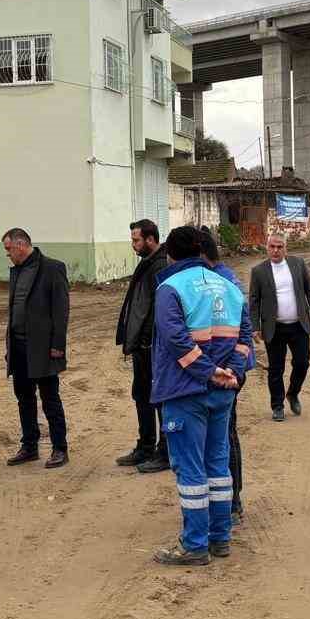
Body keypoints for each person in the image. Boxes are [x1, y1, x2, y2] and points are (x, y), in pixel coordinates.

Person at [149, 225, 253, 566]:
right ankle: (219, 538)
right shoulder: (230, 287)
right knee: (218, 465)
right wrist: (232, 372)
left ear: (171, 254)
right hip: (223, 392)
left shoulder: (170, 288)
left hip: (185, 391)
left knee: (191, 470)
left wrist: (207, 371)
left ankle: (194, 545)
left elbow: (176, 339)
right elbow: (245, 338)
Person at [2, 228, 71, 468]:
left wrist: (57, 347)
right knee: (24, 398)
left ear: (21, 245)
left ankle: (60, 448)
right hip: (19, 346)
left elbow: (61, 312)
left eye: (9, 249)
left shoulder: (52, 268)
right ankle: (29, 446)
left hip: (43, 348)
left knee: (50, 398)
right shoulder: (17, 271)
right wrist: (9, 347)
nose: (7, 254)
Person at [248, 234, 310, 422]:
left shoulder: (298, 264)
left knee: (302, 363)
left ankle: (292, 393)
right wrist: (254, 327)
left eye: (279, 246)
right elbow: (254, 302)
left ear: (285, 248)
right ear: (267, 248)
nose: (275, 250)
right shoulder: (258, 271)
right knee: (276, 369)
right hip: (274, 328)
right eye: (272, 246)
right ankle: (277, 406)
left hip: (298, 325)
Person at [114, 219, 170, 471]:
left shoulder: (160, 266)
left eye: (136, 240)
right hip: (141, 346)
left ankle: (163, 451)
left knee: (159, 399)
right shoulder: (148, 263)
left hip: (152, 347)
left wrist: (146, 341)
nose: (133, 245)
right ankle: (146, 446)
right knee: (142, 396)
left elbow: (157, 310)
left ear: (150, 239)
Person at [197, 227, 246, 521]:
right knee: (221, 437)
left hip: (224, 373)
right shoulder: (225, 279)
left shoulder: (222, 282)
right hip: (222, 370)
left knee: (224, 437)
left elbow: (242, 330)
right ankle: (225, 499)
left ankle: (232, 499)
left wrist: (227, 371)